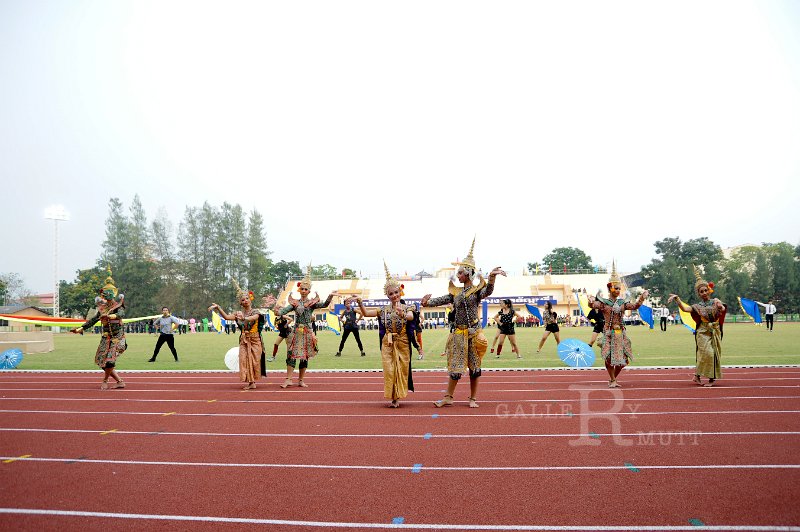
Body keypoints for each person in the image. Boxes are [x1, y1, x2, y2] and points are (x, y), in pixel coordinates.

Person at [421, 238, 505, 408]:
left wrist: (491, 277)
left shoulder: (476, 292)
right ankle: (448, 397)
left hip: (474, 333)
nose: (458, 275)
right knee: (455, 368)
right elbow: (441, 299)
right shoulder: (456, 292)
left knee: (475, 368)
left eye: (460, 273)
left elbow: (488, 290)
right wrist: (426, 303)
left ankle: (473, 399)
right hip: (459, 334)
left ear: (468, 273)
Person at [266, 265, 337, 388]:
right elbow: (283, 311)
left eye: (306, 289)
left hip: (308, 331)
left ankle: (300, 380)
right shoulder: (294, 303)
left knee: (304, 356)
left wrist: (330, 296)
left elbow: (324, 304)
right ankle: (288, 379)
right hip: (296, 332)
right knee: (291, 354)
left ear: (309, 291)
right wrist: (277, 311)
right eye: (302, 289)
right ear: (300, 290)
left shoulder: (312, 303)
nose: (304, 291)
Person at [354, 261, 414, 408]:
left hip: (403, 342)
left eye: (396, 292)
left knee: (401, 370)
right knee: (389, 370)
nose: (394, 295)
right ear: (387, 295)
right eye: (391, 293)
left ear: (400, 292)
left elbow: (411, 317)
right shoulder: (383, 310)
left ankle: (398, 395)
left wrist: (403, 314)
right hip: (387, 342)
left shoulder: (408, 307)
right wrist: (360, 302)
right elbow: (367, 313)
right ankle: (393, 397)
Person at [587, 261, 649, 388]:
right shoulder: (604, 303)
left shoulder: (623, 303)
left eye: (619, 288)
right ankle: (612, 379)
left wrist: (642, 297)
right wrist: (590, 301)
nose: (618, 290)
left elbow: (635, 306)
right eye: (616, 288)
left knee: (623, 361)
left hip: (621, 333)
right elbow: (593, 305)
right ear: (610, 288)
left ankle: (613, 379)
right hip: (609, 333)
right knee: (609, 358)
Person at [669, 266, 726, 387]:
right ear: (699, 294)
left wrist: (720, 306)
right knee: (707, 353)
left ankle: (701, 377)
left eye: (706, 290)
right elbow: (685, 309)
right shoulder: (697, 306)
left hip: (715, 331)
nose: (704, 293)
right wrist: (677, 299)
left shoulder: (715, 300)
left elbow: (722, 308)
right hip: (702, 332)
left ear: (709, 290)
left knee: (714, 354)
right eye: (701, 291)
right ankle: (706, 378)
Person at [71, 271, 127, 390]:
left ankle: (105, 381)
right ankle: (120, 382)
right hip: (105, 338)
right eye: (104, 295)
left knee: (110, 361)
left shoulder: (118, 306)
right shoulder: (102, 308)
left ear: (113, 295)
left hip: (118, 337)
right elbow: (92, 320)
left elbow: (121, 314)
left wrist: (110, 316)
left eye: (108, 294)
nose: (106, 297)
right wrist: (80, 328)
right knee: (101, 362)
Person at [209, 280, 263, 390]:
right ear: (240, 303)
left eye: (247, 298)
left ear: (250, 299)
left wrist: (245, 318)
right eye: (243, 299)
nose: (245, 300)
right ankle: (251, 382)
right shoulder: (238, 313)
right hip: (244, 339)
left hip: (255, 339)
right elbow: (227, 317)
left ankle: (253, 381)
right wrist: (218, 308)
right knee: (244, 360)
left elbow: (254, 318)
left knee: (254, 361)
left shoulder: (255, 311)